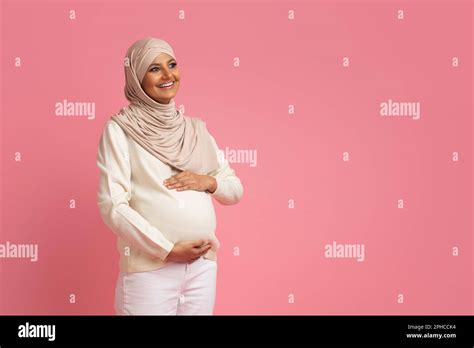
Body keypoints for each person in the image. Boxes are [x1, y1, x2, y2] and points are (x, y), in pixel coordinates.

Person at [96, 37, 244, 315]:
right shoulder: (121, 131)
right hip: (150, 271)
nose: (167, 75)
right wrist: (166, 249)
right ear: (136, 77)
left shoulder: (196, 130)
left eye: (172, 65)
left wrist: (207, 182)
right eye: (154, 68)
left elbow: (235, 189)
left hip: (201, 267)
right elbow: (113, 205)